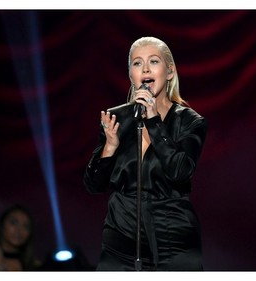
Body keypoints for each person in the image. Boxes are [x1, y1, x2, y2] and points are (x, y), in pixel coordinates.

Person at [83, 36, 207, 271]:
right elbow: (93, 185)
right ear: (131, 74)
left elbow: (181, 172)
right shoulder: (116, 118)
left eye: (154, 61)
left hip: (173, 241)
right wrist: (110, 146)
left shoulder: (190, 122)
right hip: (120, 241)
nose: (146, 68)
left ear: (169, 72)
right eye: (137, 63)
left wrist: (153, 121)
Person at [0, 204, 41, 271]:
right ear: (2, 225)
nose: (19, 230)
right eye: (13, 223)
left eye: (25, 226)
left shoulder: (34, 266)